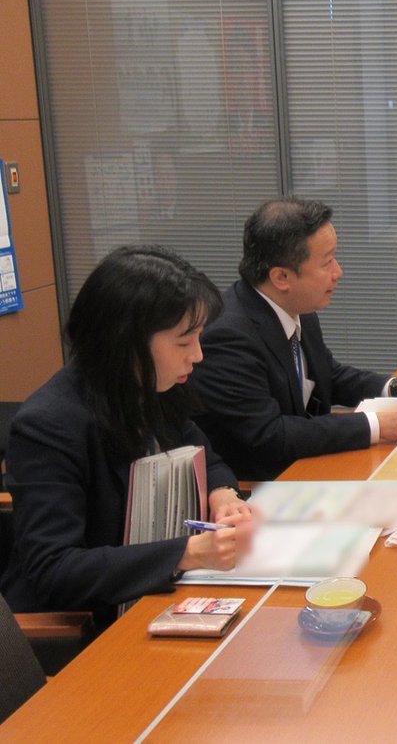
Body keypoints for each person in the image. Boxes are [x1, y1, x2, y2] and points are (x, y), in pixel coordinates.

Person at [0, 246, 255, 628]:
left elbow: (206, 456)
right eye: (184, 342)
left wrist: (223, 496)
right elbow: (54, 571)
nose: (198, 355)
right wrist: (185, 553)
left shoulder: (152, 385)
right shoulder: (48, 426)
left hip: (156, 597)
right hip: (84, 627)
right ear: (127, 342)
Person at [189, 198, 397, 481]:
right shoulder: (227, 336)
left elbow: (328, 375)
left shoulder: (295, 306)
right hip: (261, 486)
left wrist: (396, 387)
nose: (338, 272)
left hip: (308, 468)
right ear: (282, 277)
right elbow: (270, 435)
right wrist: (374, 425)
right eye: (327, 262)